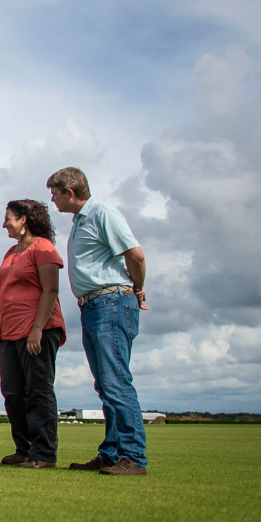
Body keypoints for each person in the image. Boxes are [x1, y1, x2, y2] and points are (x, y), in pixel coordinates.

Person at [47, 167, 150, 476]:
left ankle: (133, 456)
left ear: (70, 192)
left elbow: (137, 256)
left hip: (112, 302)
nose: (51, 198)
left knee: (116, 381)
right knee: (105, 384)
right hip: (94, 306)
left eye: (54, 193)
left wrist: (137, 287)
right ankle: (111, 454)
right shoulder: (80, 221)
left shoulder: (103, 213)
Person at [0, 200, 67, 469]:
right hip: (10, 333)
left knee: (38, 391)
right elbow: (5, 292)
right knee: (12, 392)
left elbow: (51, 290)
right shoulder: (11, 252)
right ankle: (23, 449)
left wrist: (37, 329)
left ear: (23, 220)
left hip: (38, 331)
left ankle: (43, 453)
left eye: (8, 218)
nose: (4, 224)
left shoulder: (43, 247)